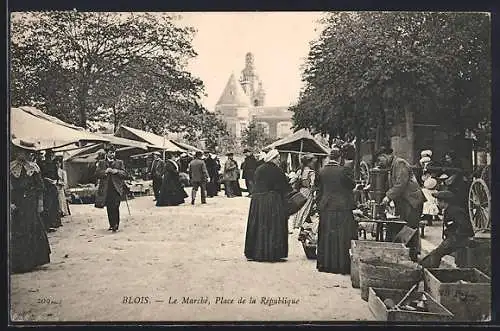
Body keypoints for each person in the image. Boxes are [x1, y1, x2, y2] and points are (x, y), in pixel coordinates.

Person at [10, 138, 51, 273]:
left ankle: (33, 261)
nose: (23, 155)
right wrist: (10, 203)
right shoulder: (11, 167)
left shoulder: (33, 168)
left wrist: (40, 204)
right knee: (18, 230)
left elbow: (40, 187)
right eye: (22, 152)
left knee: (32, 228)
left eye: (27, 152)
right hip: (17, 203)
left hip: (31, 202)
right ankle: (20, 263)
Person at [377, 146, 425, 262]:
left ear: (386, 155)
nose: (380, 163)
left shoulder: (400, 163)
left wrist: (388, 197)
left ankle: (412, 257)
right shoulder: (392, 166)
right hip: (405, 201)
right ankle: (406, 255)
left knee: (410, 229)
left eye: (380, 159)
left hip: (413, 201)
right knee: (404, 228)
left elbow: (400, 184)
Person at [244, 149, 293, 262]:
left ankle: (256, 252)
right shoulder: (277, 170)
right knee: (273, 226)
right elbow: (284, 187)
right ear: (273, 159)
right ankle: (272, 253)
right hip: (272, 200)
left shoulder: (259, 169)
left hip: (257, 201)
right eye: (278, 159)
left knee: (259, 225)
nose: (279, 161)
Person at [315, 147, 357, 274]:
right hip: (342, 207)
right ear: (340, 158)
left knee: (327, 236)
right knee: (342, 236)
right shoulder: (344, 171)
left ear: (329, 157)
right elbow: (352, 185)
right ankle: (341, 265)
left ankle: (326, 264)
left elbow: (318, 190)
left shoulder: (321, 171)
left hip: (326, 207)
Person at [419, 190, 474, 268]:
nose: (437, 203)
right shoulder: (450, 210)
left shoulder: (455, 211)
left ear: (444, 202)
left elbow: (465, 227)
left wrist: (453, 238)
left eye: (438, 201)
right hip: (455, 238)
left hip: (459, 239)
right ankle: (426, 267)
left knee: (436, 254)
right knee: (436, 253)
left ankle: (430, 270)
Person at [95, 145, 128, 232]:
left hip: (116, 188)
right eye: (110, 152)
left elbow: (125, 173)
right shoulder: (101, 163)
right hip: (106, 188)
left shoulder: (119, 162)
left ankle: (116, 224)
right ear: (107, 153)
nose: (112, 154)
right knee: (109, 207)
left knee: (116, 206)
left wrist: (116, 171)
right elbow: (97, 174)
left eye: (114, 152)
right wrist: (105, 172)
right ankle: (111, 224)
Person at [292, 153, 317, 231]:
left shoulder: (301, 170)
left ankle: (300, 225)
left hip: (301, 191)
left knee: (301, 209)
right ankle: (304, 227)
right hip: (308, 192)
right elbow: (312, 184)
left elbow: (293, 180)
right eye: (313, 161)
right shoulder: (311, 172)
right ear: (309, 162)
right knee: (307, 210)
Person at [40, 149, 62, 231]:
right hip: (46, 187)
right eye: (48, 156)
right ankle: (48, 225)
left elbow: (56, 176)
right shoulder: (43, 164)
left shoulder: (52, 164)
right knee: (48, 206)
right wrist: (48, 180)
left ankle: (54, 223)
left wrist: (56, 181)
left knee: (54, 204)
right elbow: (41, 176)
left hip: (52, 186)